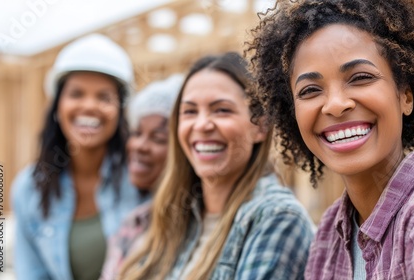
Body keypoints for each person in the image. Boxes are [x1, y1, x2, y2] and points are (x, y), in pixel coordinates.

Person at [247, 0, 414, 279]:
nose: (335, 105)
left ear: (406, 96)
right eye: (310, 90)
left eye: (360, 77)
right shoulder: (331, 230)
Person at [118, 52, 315, 280]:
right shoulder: (177, 215)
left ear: (260, 126)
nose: (202, 124)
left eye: (222, 109)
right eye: (190, 111)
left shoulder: (277, 218)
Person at [11, 34, 146, 280]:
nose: (89, 106)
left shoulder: (143, 177)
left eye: (104, 97)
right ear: (57, 105)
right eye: (76, 94)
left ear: (120, 110)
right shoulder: (28, 189)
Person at [100, 74, 183, 279]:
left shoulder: (198, 226)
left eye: (158, 138)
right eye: (136, 133)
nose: (139, 146)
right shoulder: (134, 223)